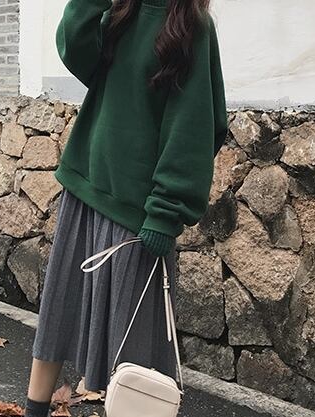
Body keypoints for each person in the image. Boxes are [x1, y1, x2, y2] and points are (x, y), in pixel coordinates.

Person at [24, 0, 227, 415]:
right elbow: (74, 47)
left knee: (133, 353)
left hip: (138, 215)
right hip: (84, 187)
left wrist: (165, 212)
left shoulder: (192, 27)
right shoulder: (118, 13)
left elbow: (194, 128)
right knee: (58, 317)